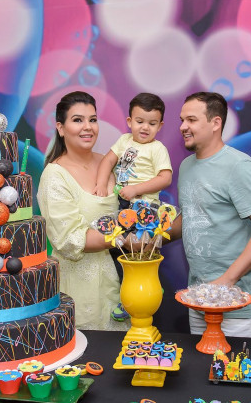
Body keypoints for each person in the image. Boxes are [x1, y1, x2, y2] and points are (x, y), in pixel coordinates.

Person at [170, 92, 251, 338]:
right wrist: (152, 238)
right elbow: (191, 217)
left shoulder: (239, 166)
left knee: (231, 365)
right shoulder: (187, 166)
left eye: (191, 120)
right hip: (198, 301)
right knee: (199, 364)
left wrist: (226, 281)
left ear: (215, 123)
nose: (183, 127)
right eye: (182, 120)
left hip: (236, 307)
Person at [37, 91, 129, 331]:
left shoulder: (109, 163)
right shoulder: (54, 176)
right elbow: (69, 238)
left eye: (93, 119)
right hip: (79, 289)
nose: (88, 127)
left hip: (123, 283)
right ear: (61, 128)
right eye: (77, 120)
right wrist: (126, 240)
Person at [93, 92, 173, 321]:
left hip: (145, 208)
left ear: (160, 126)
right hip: (123, 204)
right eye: (139, 121)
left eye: (152, 123)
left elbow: (165, 178)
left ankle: (148, 284)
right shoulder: (124, 141)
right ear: (129, 121)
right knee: (120, 248)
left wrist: (137, 189)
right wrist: (101, 184)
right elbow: (107, 161)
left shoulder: (157, 148)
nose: (145, 127)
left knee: (141, 249)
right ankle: (128, 294)